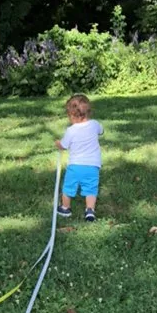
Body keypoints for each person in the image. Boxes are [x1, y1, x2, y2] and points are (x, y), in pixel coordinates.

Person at [54, 93, 103, 222]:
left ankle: (65, 208)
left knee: (68, 187)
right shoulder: (94, 124)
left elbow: (64, 146)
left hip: (75, 166)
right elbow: (101, 131)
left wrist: (58, 144)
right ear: (88, 112)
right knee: (91, 189)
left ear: (72, 115)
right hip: (93, 166)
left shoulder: (71, 130)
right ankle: (90, 210)